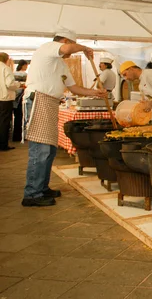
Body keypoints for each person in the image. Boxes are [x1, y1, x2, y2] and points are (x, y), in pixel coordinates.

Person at [23, 29, 106, 207]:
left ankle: (41, 187)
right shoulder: (48, 47)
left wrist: (95, 93)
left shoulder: (60, 64)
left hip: (50, 103)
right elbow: (68, 49)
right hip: (39, 99)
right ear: (65, 41)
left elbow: (74, 87)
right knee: (40, 149)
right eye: (71, 45)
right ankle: (32, 193)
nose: (69, 53)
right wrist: (83, 48)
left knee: (49, 150)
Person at [0, 53, 21, 151]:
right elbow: (9, 84)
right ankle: (3, 145)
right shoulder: (5, 68)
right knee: (4, 122)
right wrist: (18, 84)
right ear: (6, 59)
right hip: (5, 98)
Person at [12, 59, 28, 142]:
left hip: (12, 97)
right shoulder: (25, 75)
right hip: (20, 98)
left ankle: (10, 136)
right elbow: (27, 86)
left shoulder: (13, 74)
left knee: (11, 118)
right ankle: (18, 136)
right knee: (19, 117)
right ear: (24, 65)